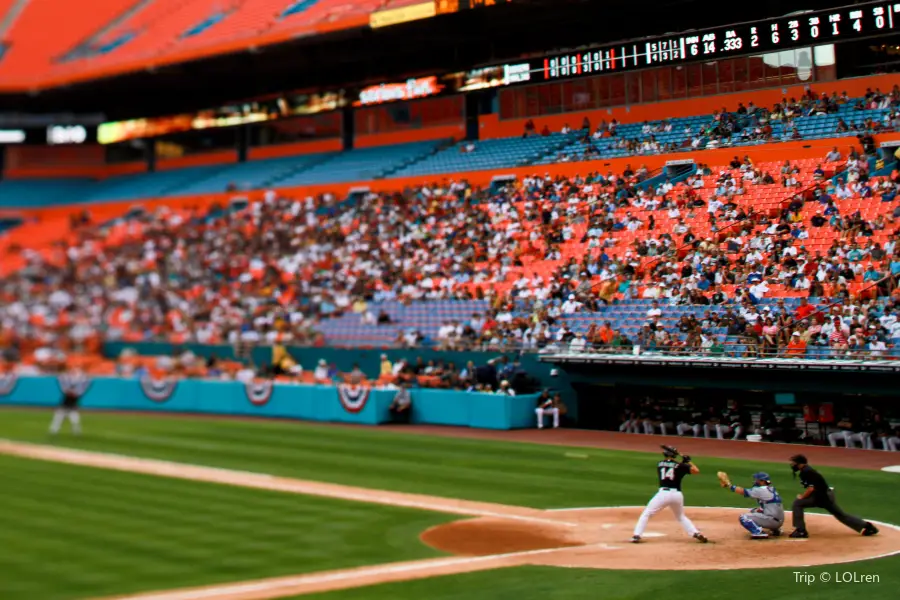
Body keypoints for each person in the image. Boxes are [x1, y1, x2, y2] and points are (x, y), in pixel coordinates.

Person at [788, 454, 879, 538]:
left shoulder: (806, 472)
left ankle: (801, 530)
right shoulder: (806, 470)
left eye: (794, 463)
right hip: (823, 495)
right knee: (841, 515)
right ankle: (868, 527)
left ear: (800, 463)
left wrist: (803, 497)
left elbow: (811, 488)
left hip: (822, 497)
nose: (792, 465)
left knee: (798, 503)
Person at [632, 446, 708, 543]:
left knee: (646, 514)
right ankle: (696, 533)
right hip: (677, 495)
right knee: (681, 517)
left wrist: (683, 463)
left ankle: (637, 535)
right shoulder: (680, 466)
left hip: (663, 494)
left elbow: (671, 467)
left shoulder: (659, 464)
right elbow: (696, 470)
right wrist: (688, 461)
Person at [719, 471, 784, 538]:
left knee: (744, 517)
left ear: (762, 481)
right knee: (755, 511)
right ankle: (776, 530)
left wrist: (729, 485)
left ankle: (758, 532)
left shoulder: (761, 490)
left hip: (772, 521)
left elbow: (743, 491)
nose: (755, 481)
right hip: (779, 521)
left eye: (757, 480)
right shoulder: (771, 489)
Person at [49, 368, 89, 435]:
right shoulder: (66, 385)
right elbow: (65, 388)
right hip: (64, 405)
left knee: (75, 420)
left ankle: (76, 432)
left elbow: (77, 393)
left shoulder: (80, 389)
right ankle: (53, 430)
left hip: (72, 406)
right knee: (58, 419)